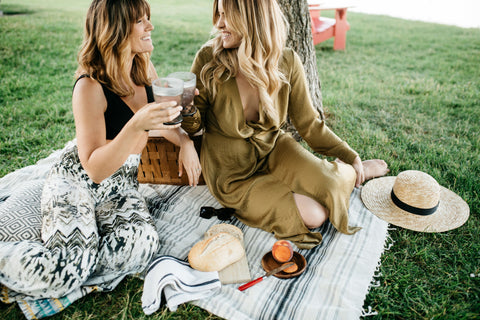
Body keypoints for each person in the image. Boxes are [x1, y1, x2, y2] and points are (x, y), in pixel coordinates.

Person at [0, 0, 201, 301]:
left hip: (120, 188)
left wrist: (184, 141)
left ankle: (79, 264)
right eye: (141, 21)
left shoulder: (143, 66)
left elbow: (159, 121)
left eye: (149, 18)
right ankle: (63, 267)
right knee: (62, 269)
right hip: (77, 181)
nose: (151, 26)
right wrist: (135, 126)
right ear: (117, 29)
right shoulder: (89, 86)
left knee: (141, 246)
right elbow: (94, 168)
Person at [182, 0, 389, 249]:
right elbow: (195, 127)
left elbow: (309, 124)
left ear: (252, 19)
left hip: (275, 149)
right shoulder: (208, 59)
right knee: (316, 215)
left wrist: (348, 153)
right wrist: (188, 110)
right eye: (219, 14)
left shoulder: (287, 61)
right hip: (232, 172)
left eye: (227, 16)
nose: (219, 23)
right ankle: (331, 174)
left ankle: (352, 170)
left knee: (330, 185)